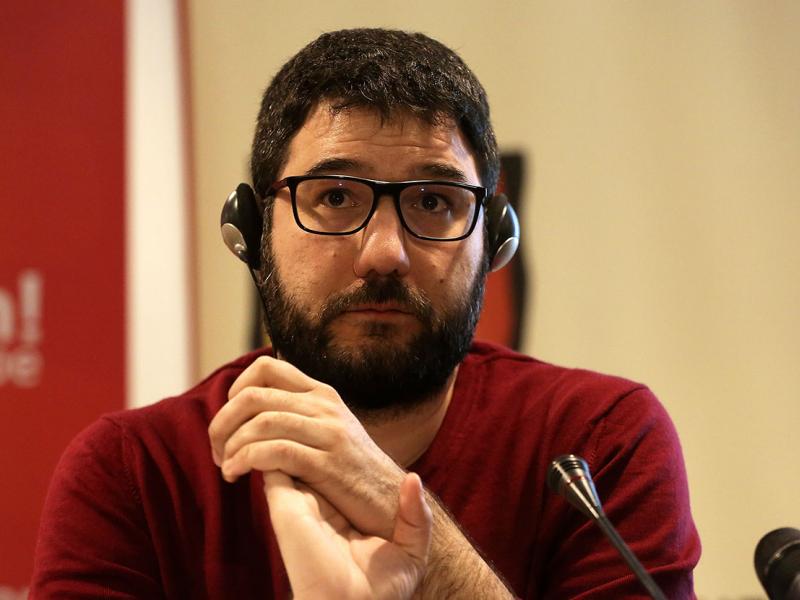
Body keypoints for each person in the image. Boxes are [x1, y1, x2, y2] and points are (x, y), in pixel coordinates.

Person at [31, 28, 701, 598]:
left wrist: (406, 523)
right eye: (334, 198)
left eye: (433, 203)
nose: (385, 254)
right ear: (253, 232)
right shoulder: (134, 475)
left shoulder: (597, 448)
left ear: (495, 240)